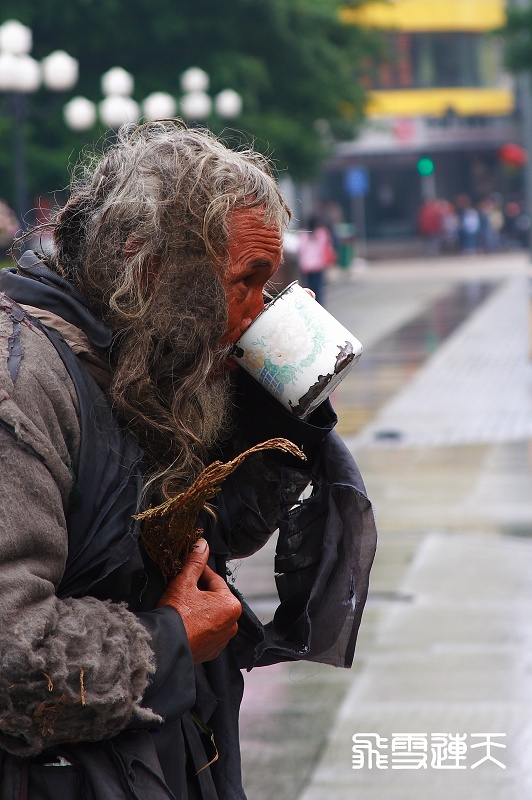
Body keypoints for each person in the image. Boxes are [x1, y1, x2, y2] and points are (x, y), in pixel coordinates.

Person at [0, 120, 376, 799]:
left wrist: (277, 408)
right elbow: (9, 651)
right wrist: (168, 641)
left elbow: (214, 534)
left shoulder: (136, 354)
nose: (259, 311)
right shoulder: (21, 379)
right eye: (246, 282)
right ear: (149, 268)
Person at [297, 214, 336, 306]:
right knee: (318, 288)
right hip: (318, 265)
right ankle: (319, 306)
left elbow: (300, 249)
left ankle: (311, 305)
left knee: (308, 288)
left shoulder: (304, 234)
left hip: (306, 266)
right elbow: (326, 248)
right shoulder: (322, 233)